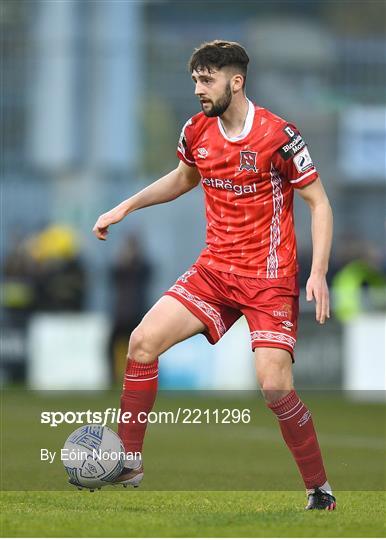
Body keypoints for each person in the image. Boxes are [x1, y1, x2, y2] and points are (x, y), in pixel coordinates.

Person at [93, 40, 335, 511]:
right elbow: (184, 178)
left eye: (207, 80)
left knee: (274, 386)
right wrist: (124, 206)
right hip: (214, 270)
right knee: (142, 342)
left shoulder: (278, 135)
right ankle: (128, 461)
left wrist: (319, 271)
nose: (199, 90)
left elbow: (318, 202)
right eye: (195, 81)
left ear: (236, 81)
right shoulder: (196, 130)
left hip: (268, 278)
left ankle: (319, 490)